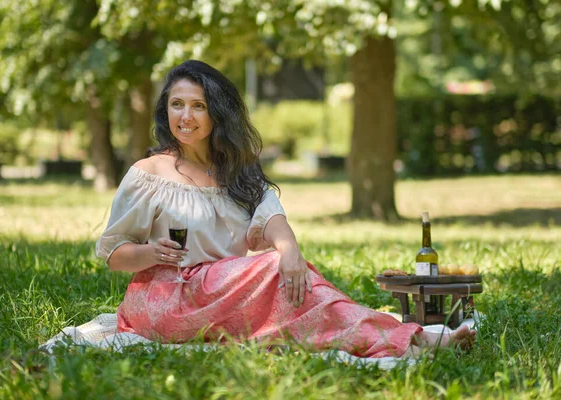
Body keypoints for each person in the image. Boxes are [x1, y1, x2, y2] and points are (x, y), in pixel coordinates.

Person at [96, 60, 475, 358]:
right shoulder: (149, 174)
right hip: (168, 298)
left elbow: (270, 212)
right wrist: (149, 253)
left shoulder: (235, 169)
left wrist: (289, 249)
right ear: (165, 110)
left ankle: (400, 337)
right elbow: (113, 253)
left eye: (199, 106)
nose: (186, 117)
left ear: (217, 114)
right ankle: (415, 339)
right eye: (177, 105)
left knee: (298, 290)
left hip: (226, 289)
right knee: (283, 279)